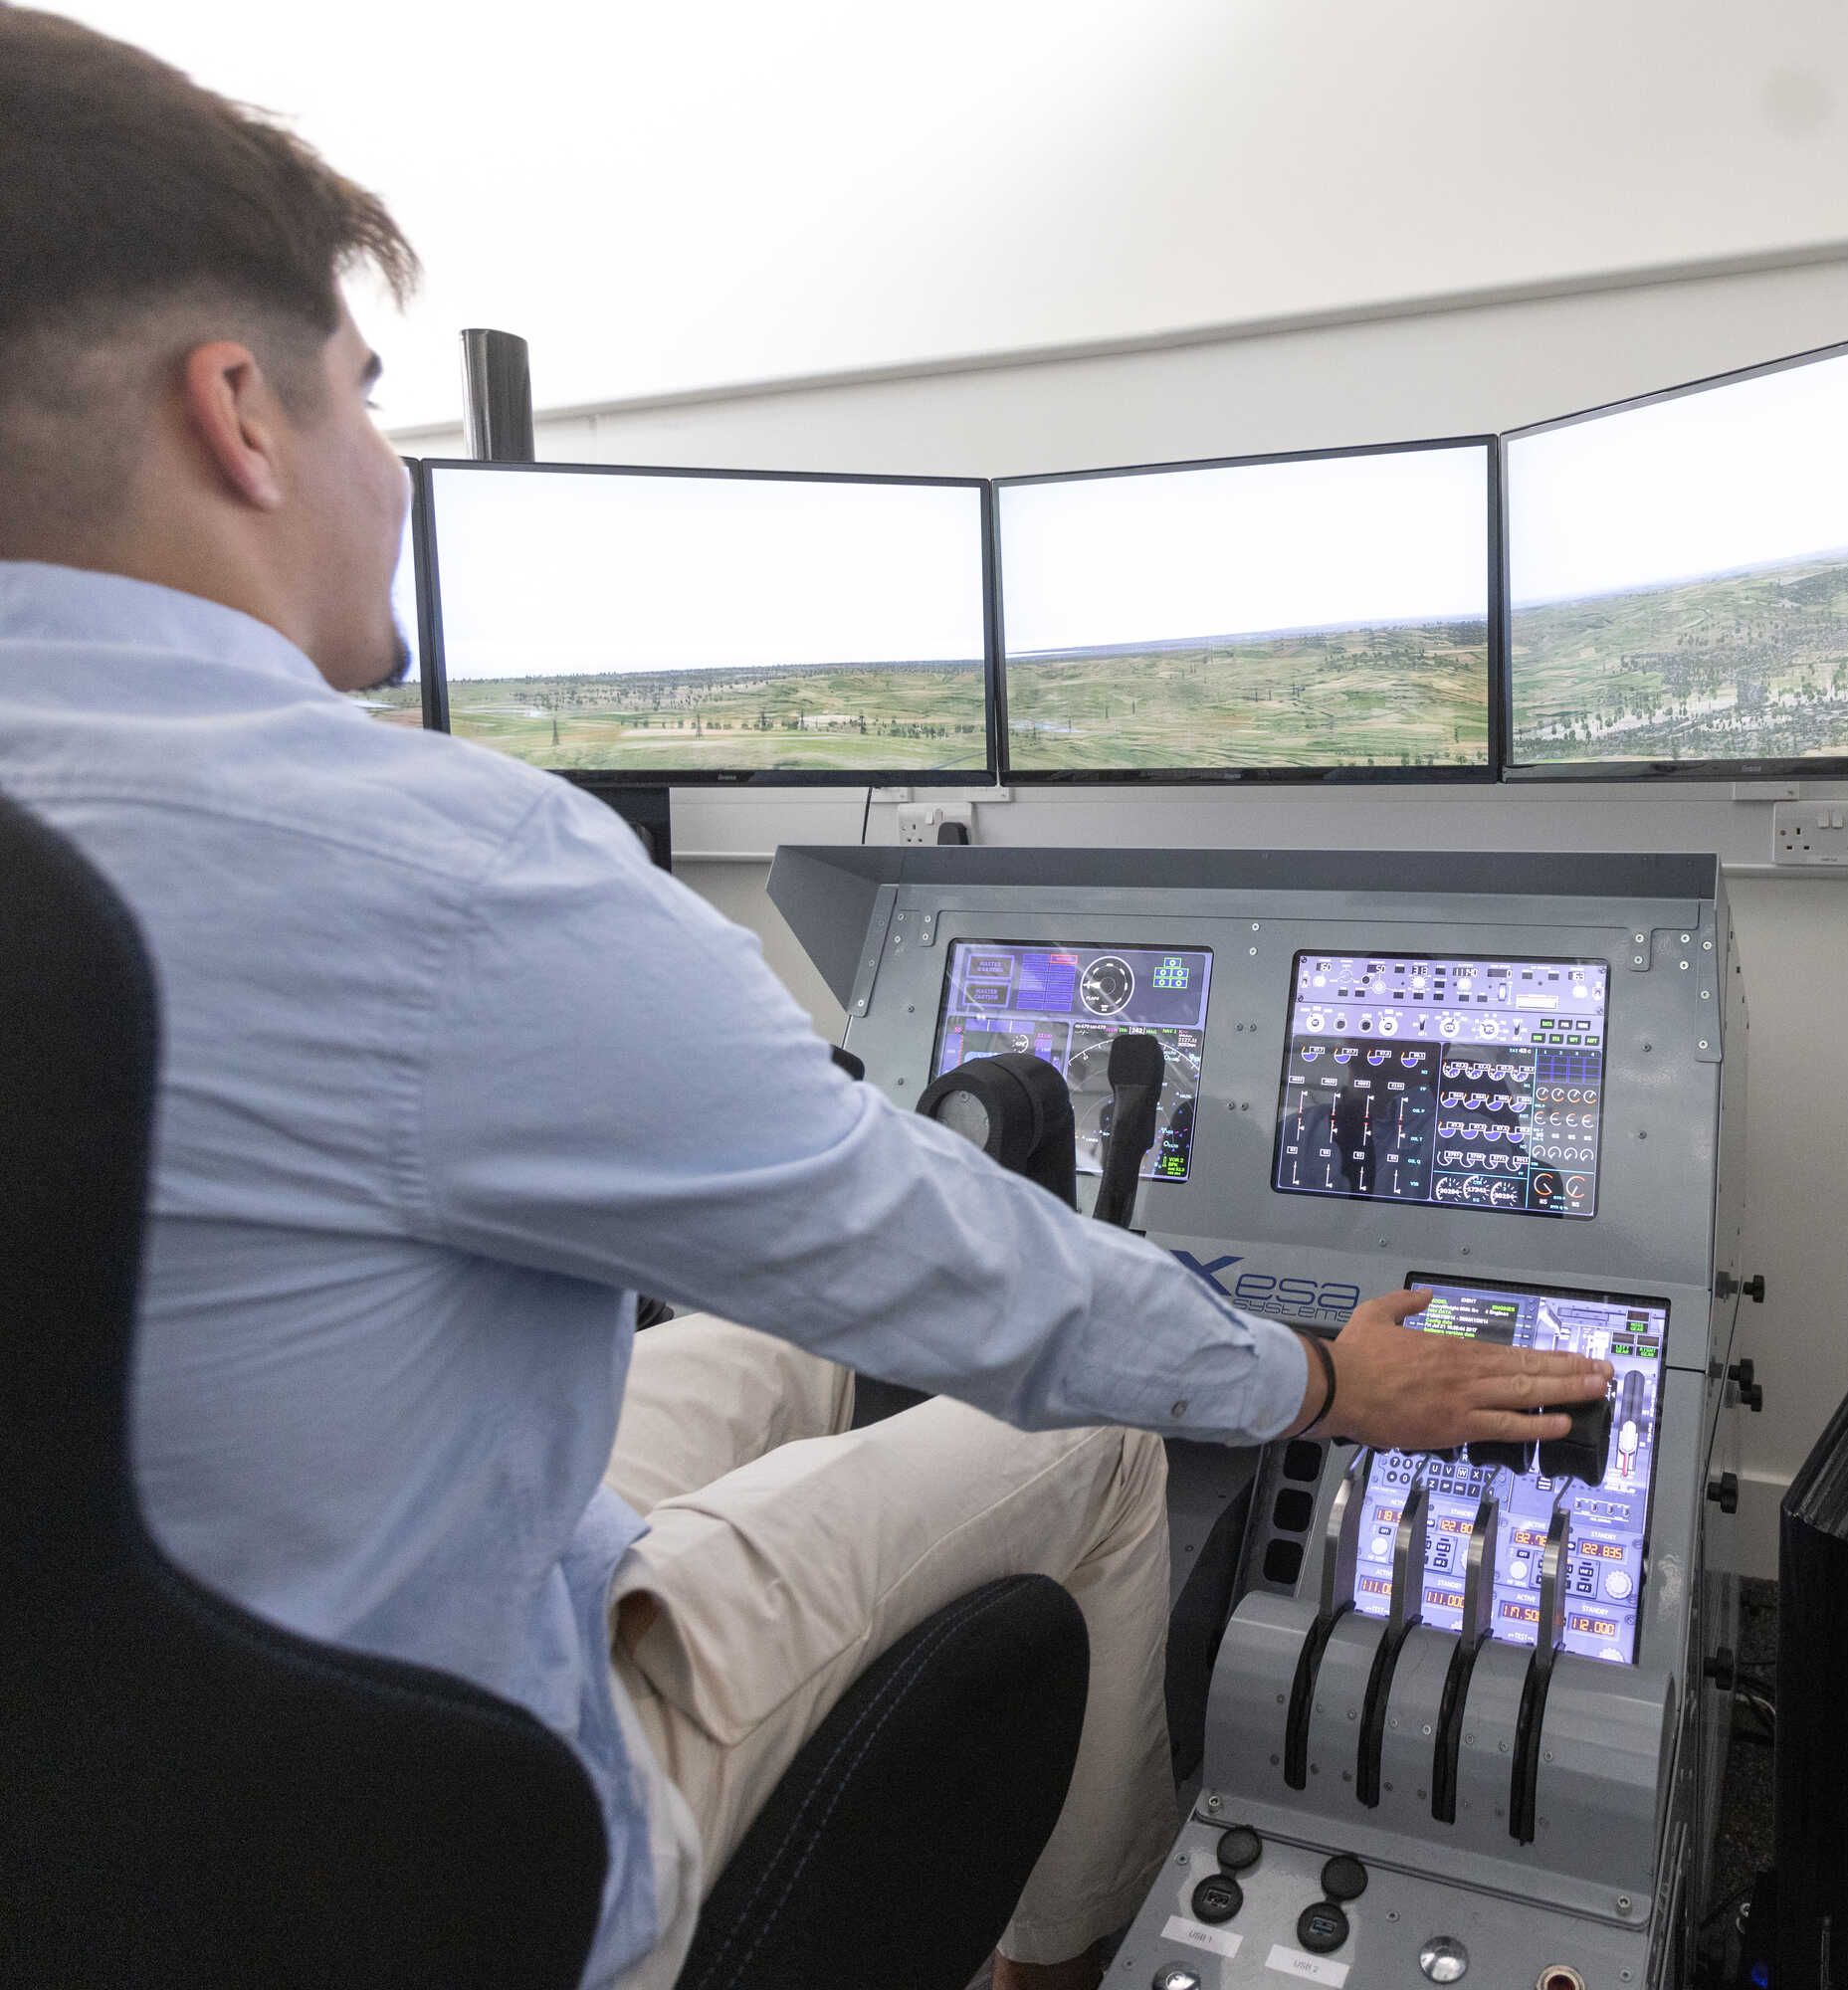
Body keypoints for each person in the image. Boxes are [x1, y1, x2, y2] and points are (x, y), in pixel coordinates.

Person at [0, 14, 1610, 1990]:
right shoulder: (451, 873)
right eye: (365, 403)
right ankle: (1050, 1962)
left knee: (776, 1324)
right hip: (435, 1850)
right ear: (236, 412)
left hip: (129, 1747)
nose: (391, 469)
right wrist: (1328, 1381)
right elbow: (973, 1274)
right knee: (1096, 1439)